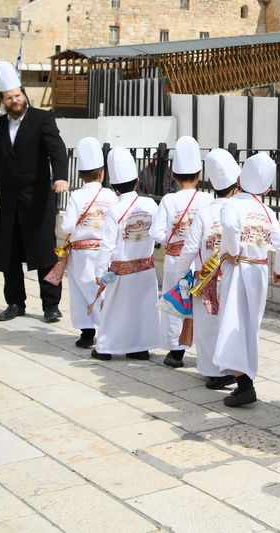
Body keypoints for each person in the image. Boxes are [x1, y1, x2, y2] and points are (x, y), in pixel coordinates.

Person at [0, 60, 69, 323]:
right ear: (3, 100)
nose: (15, 100)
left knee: (45, 254)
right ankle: (15, 303)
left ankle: (51, 305)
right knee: (9, 254)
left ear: (24, 94)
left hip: (37, 199)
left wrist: (60, 176)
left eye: (18, 95)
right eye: (9, 97)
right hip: (8, 201)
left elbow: (57, 149)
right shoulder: (1, 125)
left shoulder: (42, 118)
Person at [214, 152, 280, 408]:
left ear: (239, 178)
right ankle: (243, 380)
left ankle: (244, 384)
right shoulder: (266, 211)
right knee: (250, 326)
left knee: (233, 322)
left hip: (238, 270)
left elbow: (232, 228)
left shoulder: (232, 205)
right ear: (268, 188)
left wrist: (233, 251)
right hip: (258, 272)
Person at [90, 147, 160, 361]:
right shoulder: (149, 204)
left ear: (112, 187)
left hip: (121, 270)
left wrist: (100, 271)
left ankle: (106, 347)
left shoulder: (115, 210)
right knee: (143, 309)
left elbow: (107, 245)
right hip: (146, 269)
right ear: (138, 181)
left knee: (114, 311)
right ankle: (140, 347)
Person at [183, 148, 240, 389]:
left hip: (205, 278)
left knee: (207, 326)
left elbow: (189, 249)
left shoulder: (205, 212)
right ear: (236, 185)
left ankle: (212, 371)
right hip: (232, 277)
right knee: (231, 323)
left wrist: (180, 276)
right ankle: (232, 368)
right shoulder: (240, 209)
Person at [153, 136, 211, 368]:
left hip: (175, 259)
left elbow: (156, 233)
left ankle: (176, 351)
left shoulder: (168, 200)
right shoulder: (207, 199)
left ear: (174, 176)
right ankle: (203, 348)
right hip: (201, 259)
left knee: (174, 302)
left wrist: (174, 240)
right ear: (199, 175)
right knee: (202, 304)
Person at [58, 137, 117, 348]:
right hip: (105, 250)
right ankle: (108, 329)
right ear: (102, 173)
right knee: (103, 290)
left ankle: (87, 333)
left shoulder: (76, 196)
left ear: (80, 174)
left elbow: (66, 227)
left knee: (81, 291)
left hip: (81, 252)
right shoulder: (111, 195)